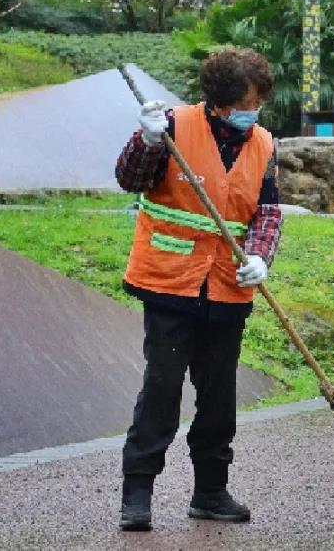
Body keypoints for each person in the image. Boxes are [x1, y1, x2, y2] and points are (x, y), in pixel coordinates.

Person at [113, 47, 284, 531]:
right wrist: (147, 141)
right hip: (170, 284)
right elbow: (131, 179)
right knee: (162, 388)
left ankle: (210, 492)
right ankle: (138, 494)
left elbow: (267, 212)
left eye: (260, 102)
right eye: (251, 102)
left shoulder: (265, 144)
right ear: (223, 102)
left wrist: (258, 257)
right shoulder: (170, 126)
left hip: (228, 288)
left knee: (218, 397)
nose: (256, 112)